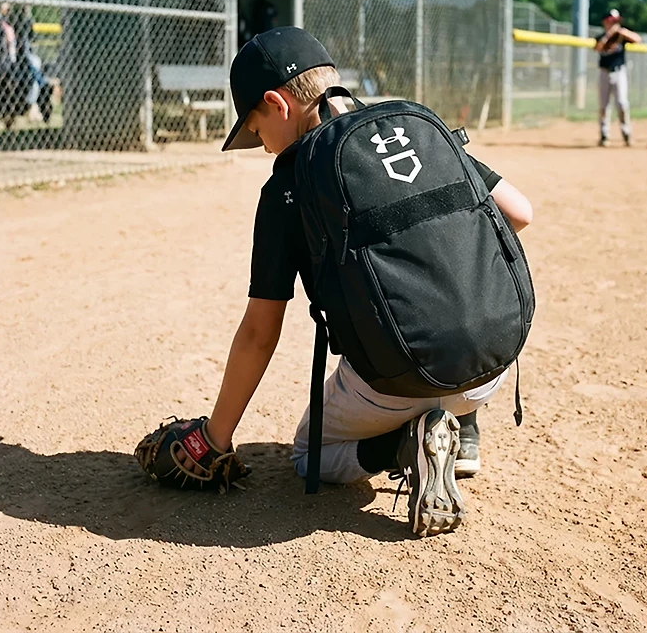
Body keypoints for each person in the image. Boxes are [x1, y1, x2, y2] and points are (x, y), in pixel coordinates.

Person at [148, 27, 533, 536]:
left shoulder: (289, 182)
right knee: (449, 300)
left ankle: (404, 442)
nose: (263, 147)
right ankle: (462, 428)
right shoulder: (413, 128)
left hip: (393, 381)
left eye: (257, 130)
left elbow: (260, 333)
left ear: (276, 104)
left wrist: (216, 438)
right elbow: (520, 213)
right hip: (493, 364)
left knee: (310, 456)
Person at [594, 9, 641, 146]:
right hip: (604, 72)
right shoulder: (601, 36)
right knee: (603, 106)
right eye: (611, 21)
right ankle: (604, 135)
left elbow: (638, 39)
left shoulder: (621, 37)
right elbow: (598, 48)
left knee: (622, 104)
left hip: (619, 72)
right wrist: (609, 34)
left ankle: (626, 134)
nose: (614, 24)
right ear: (605, 22)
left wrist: (621, 31)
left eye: (616, 21)